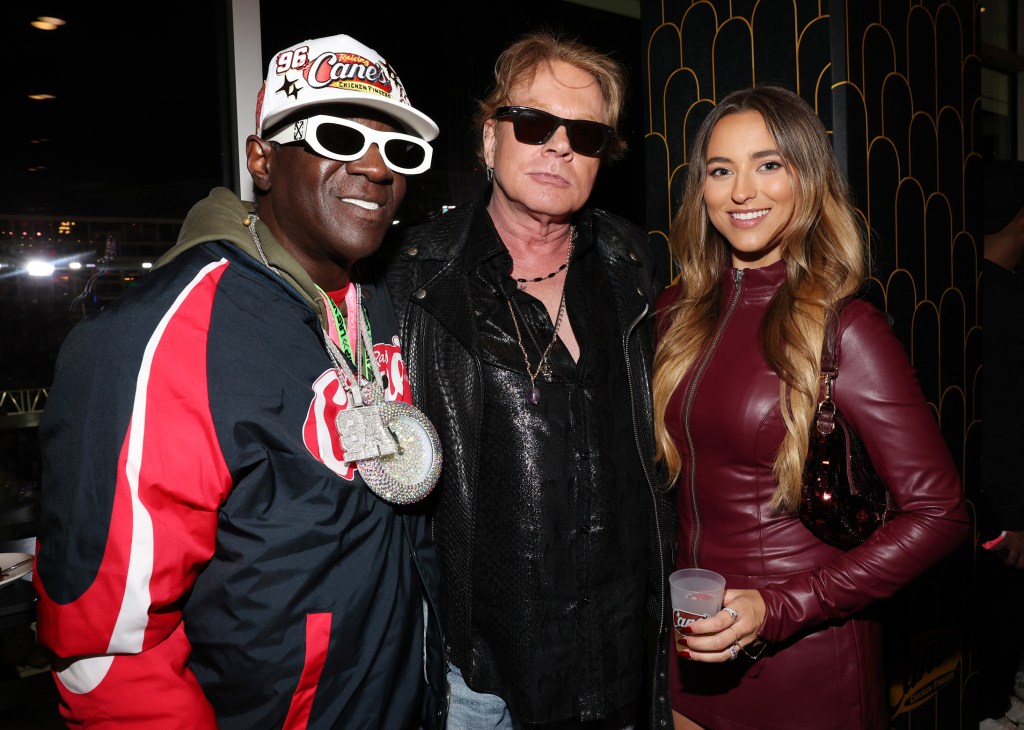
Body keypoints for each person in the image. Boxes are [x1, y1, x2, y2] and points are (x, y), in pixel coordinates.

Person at [32, 33, 447, 728]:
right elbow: (107, 656)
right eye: (339, 136)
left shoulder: (378, 305)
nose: (376, 169)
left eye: (398, 151)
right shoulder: (163, 335)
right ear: (262, 159)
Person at [651, 84, 969, 729]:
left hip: (806, 663)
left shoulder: (844, 327)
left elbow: (941, 514)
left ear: (808, 180)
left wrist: (782, 607)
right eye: (721, 170)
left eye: (769, 165)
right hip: (693, 649)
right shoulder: (675, 312)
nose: (743, 191)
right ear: (701, 189)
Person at [385, 29, 674, 729]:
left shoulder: (637, 270)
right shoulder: (412, 279)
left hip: (622, 664)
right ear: (489, 140)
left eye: (585, 133)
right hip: (478, 681)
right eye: (535, 123)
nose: (558, 146)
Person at [976, 159, 1024, 730]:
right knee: (1003, 613)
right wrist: (1015, 516)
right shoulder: (1006, 304)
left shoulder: (970, 289)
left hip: (984, 492)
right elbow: (1006, 416)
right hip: (1000, 501)